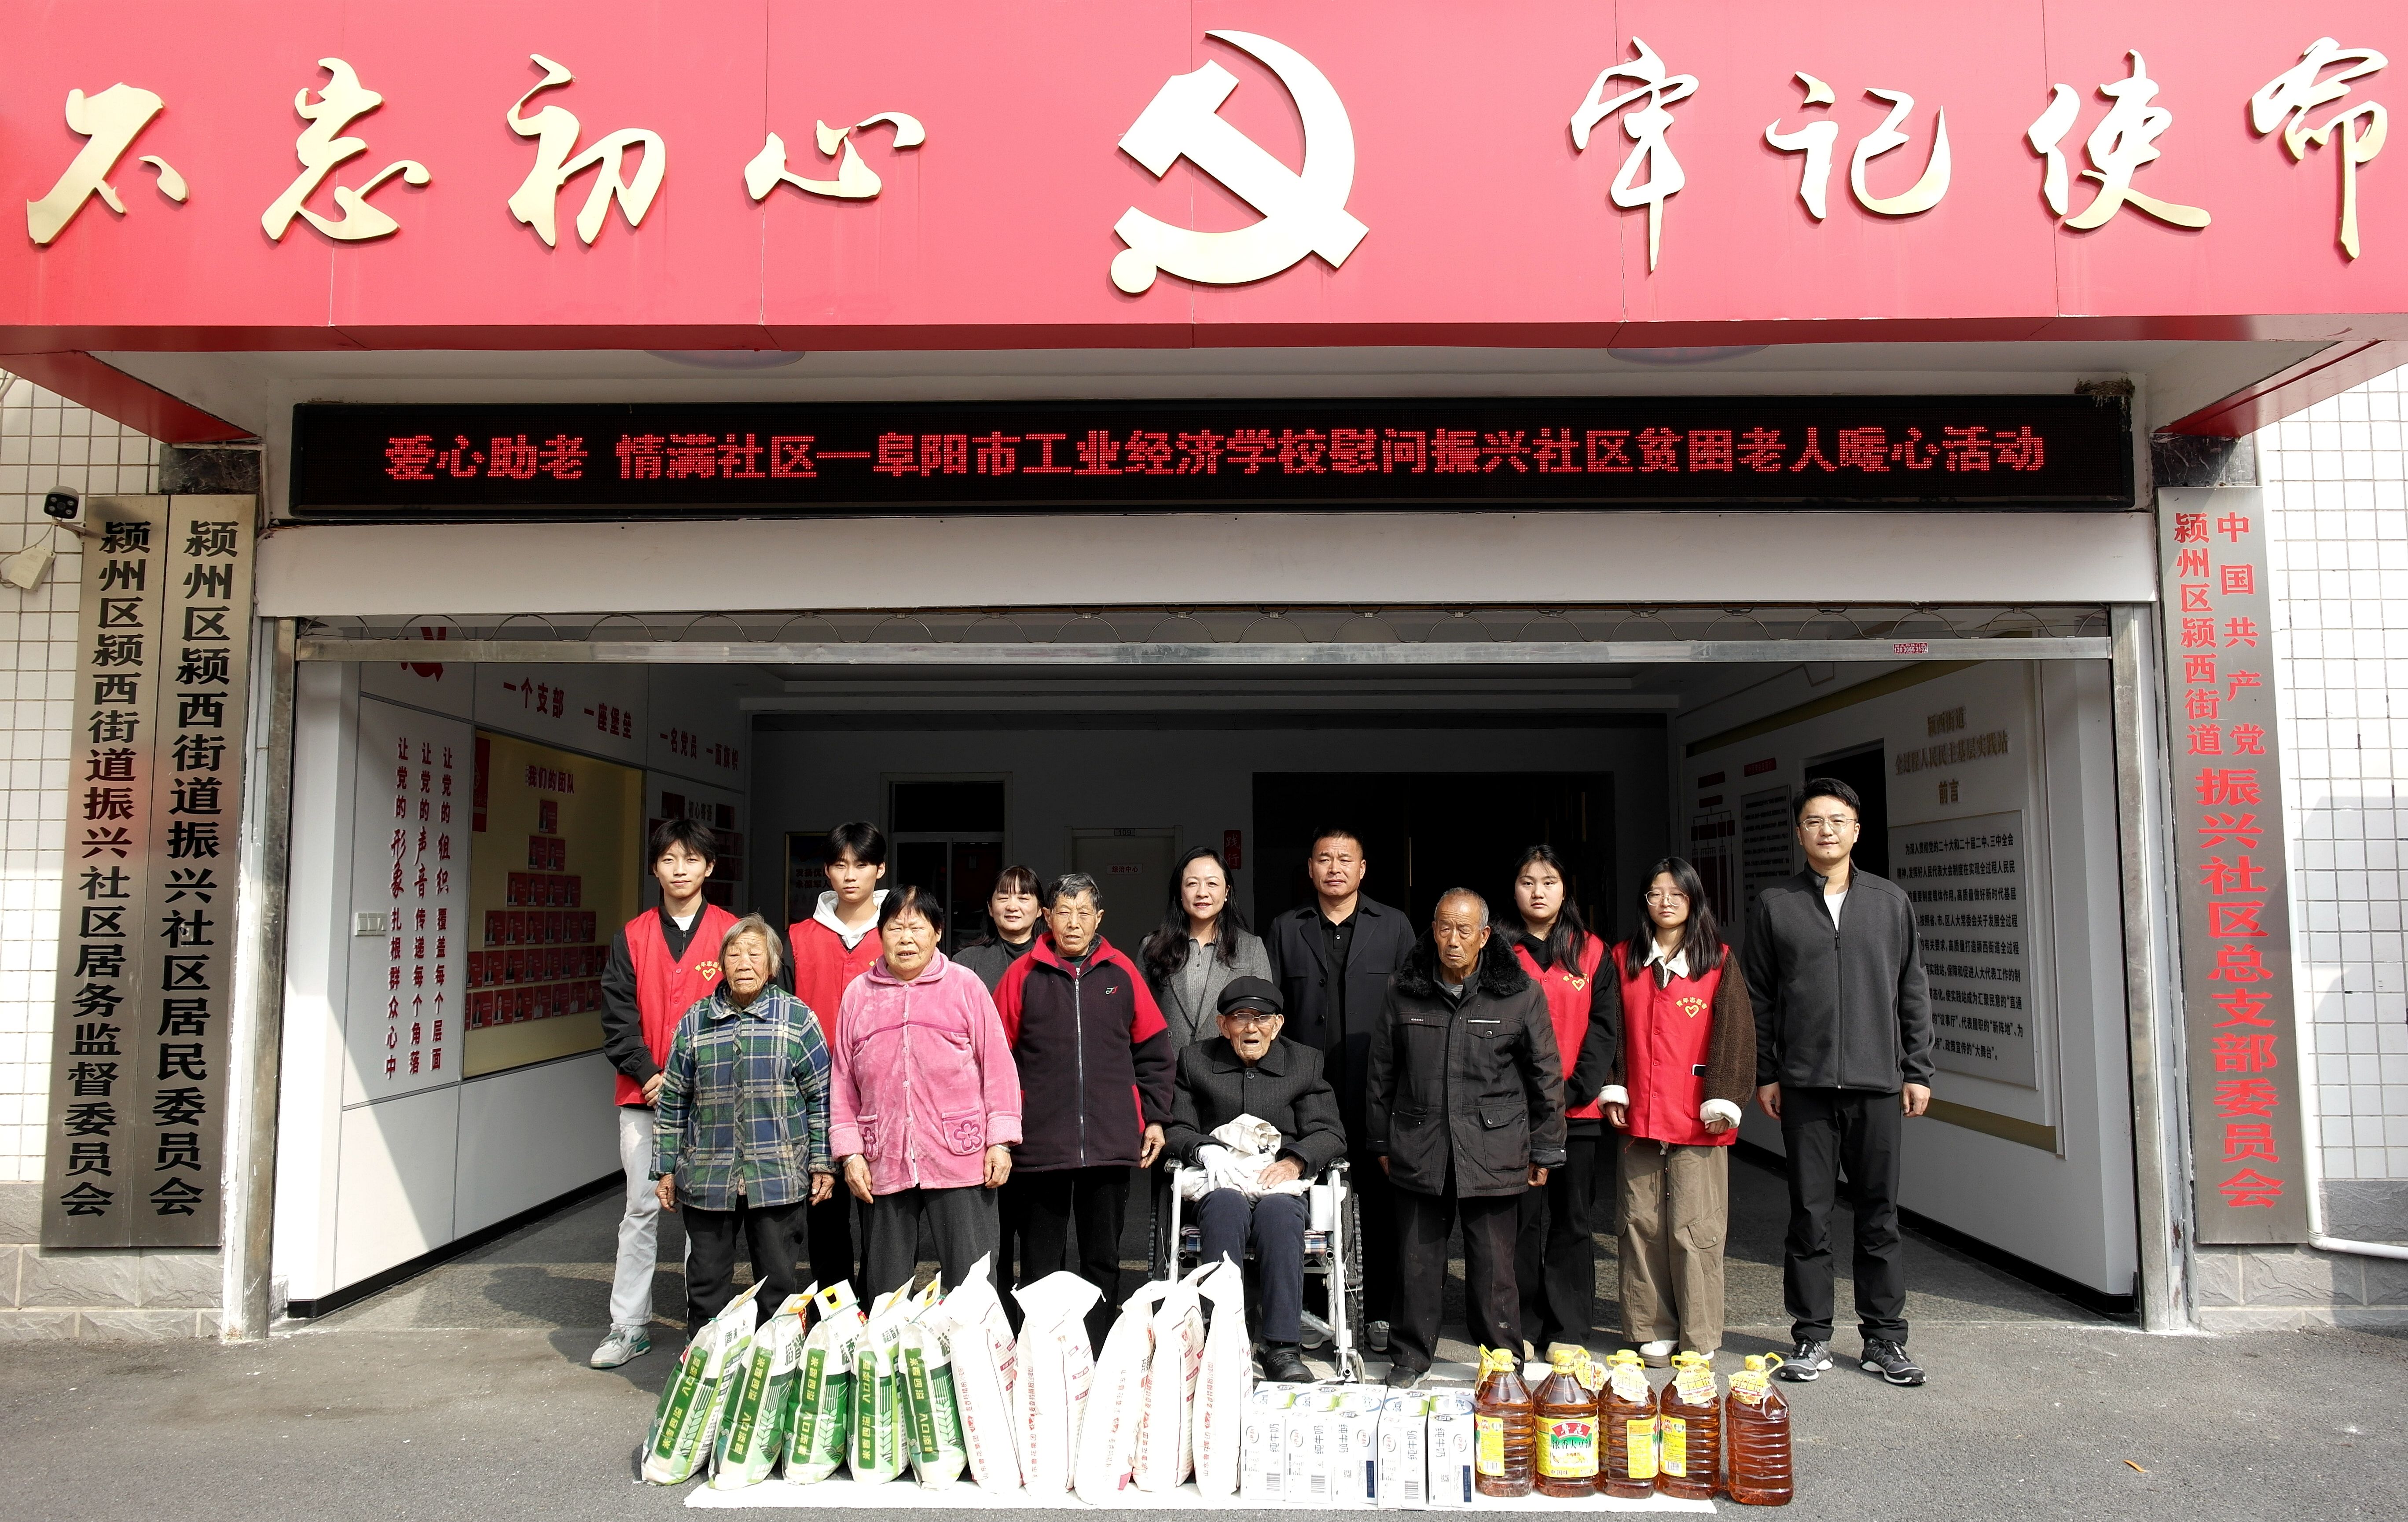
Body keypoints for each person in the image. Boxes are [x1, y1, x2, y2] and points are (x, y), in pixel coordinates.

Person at [1743, 777, 1934, 1388]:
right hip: (1805, 1083)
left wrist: (1917, 1069)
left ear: (1856, 830)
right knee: (1810, 1213)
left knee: (1879, 1214)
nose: (1825, 831)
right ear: (1799, 833)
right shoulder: (1776, 904)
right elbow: (1758, 995)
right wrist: (1767, 1072)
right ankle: (1812, 1335)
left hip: (1879, 1081)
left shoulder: (1890, 901)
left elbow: (1912, 987)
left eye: (1837, 820)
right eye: (1813, 821)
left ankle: (1884, 1337)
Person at [1366, 889, 1565, 1387]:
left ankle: (1502, 1360)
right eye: (1444, 928)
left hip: (1494, 1145)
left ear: (1484, 935)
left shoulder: (1519, 993)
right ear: (1432, 931)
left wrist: (1546, 1146)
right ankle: (1410, 1356)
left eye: (1464, 930)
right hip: (1421, 1141)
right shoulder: (1403, 990)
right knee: (1417, 1259)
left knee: (1494, 1265)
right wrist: (1380, 1141)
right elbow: (1381, 1072)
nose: (1453, 940)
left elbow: (1545, 1074)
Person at [994, 871, 1174, 1344]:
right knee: (1040, 1260)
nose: (1073, 923)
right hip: (1039, 1145)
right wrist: (1004, 1129)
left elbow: (1154, 1050)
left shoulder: (1122, 973)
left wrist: (1155, 1117)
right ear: (1047, 917)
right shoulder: (1022, 975)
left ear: (1099, 918)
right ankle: (1041, 1352)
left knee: (1102, 1259)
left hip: (1110, 1140)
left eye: (1083, 912)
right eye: (1063, 912)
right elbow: (996, 1057)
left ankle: (1097, 1351)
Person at [589, 820, 741, 1369]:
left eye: (692, 858)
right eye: (670, 859)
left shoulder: (731, 933)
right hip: (644, 1094)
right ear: (654, 867)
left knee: (707, 1213)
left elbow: (745, 1007)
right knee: (640, 1209)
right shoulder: (631, 936)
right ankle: (628, 1324)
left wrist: (692, 1082)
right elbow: (618, 1018)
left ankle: (705, 1326)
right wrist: (652, 1075)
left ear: (710, 866)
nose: (681, 869)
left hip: (713, 1097)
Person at [1264, 827, 1417, 1353]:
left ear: (1362, 868)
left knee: (1380, 1201)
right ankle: (1308, 1310)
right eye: (1325, 859)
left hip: (1377, 1088)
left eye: (1345, 859)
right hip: (1306, 1092)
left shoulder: (1394, 926)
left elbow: (1414, 1005)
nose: (1335, 868)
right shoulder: (1286, 928)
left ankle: (1381, 1311)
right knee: (1305, 1197)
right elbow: (1271, 1010)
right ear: (1310, 868)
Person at [1599, 857, 1755, 1366]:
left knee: (1697, 1225)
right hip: (1639, 1110)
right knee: (1639, 1220)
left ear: (1694, 900)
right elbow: (1609, 1029)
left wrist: (1725, 1096)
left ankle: (1700, 1332)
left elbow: (1736, 1034)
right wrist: (1613, 1088)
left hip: (1698, 1113)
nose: (1665, 902)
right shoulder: (1623, 957)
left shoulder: (1718, 960)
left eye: (1677, 894)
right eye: (1655, 893)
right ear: (1644, 901)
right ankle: (1651, 1327)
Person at [830, 886, 1021, 1296]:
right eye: (895, 928)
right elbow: (843, 1082)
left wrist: (1001, 1143)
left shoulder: (965, 986)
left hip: (960, 1155)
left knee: (972, 1285)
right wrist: (850, 1154)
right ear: (880, 934)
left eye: (916, 928)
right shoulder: (859, 995)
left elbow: (999, 1068)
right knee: (885, 1289)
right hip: (883, 1158)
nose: (906, 939)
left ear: (937, 933)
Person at [653, 914, 835, 1330]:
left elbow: (822, 1097)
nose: (744, 963)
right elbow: (674, 1099)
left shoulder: (797, 1019)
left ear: (772, 965)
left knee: (779, 1286)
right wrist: (665, 1168)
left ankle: (778, 1362)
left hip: (777, 1174)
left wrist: (823, 1163)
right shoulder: (696, 1020)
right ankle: (705, 1364)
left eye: (755, 954)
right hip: (708, 1175)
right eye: (734, 954)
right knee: (705, 1285)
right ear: (722, 963)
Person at [1163, 976, 1346, 1383]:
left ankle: (1282, 1347)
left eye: (1262, 1018)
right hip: (1219, 1180)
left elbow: (1329, 1133)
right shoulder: (1195, 1061)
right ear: (1222, 1024)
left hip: (1278, 1181)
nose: (1252, 1028)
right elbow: (1177, 1127)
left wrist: (1295, 1162)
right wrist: (1203, 1149)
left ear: (1277, 1025)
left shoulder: (1304, 1062)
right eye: (1240, 1018)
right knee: (1226, 1207)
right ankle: (1225, 1340)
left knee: (1280, 1214)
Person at [1505, 844, 1615, 1361]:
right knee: (1520, 1221)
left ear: (1565, 888)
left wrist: (1571, 1092)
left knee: (1573, 1219)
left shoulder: (1592, 951)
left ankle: (1568, 1327)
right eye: (1528, 881)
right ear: (1514, 889)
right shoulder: (1498, 950)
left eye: (1549, 881)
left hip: (1577, 1112)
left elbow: (1604, 1028)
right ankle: (1521, 1325)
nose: (1538, 891)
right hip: (1514, 1112)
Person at [786, 821, 888, 1291]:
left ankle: (880, 1308)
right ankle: (836, 1312)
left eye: (861, 864)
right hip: (816, 1095)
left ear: (880, 869)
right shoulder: (799, 938)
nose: (850, 875)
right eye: (840, 865)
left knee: (882, 1211)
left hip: (881, 1093)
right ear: (826, 870)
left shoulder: (898, 933)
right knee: (825, 1210)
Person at [1141, 845, 1274, 1048]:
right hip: (1168, 1063)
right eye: (1192, 884)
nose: (1202, 893)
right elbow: (1138, 1016)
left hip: (1227, 1063)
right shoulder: (1153, 946)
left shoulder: (1251, 948)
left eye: (1212, 884)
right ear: (1180, 891)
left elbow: (1265, 1018)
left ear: (1227, 891)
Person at [955, 864, 1043, 992]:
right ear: (990, 908)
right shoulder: (966, 962)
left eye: (1023, 899)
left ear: (1040, 909)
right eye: (1003, 898)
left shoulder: (1056, 959)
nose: (1012, 907)